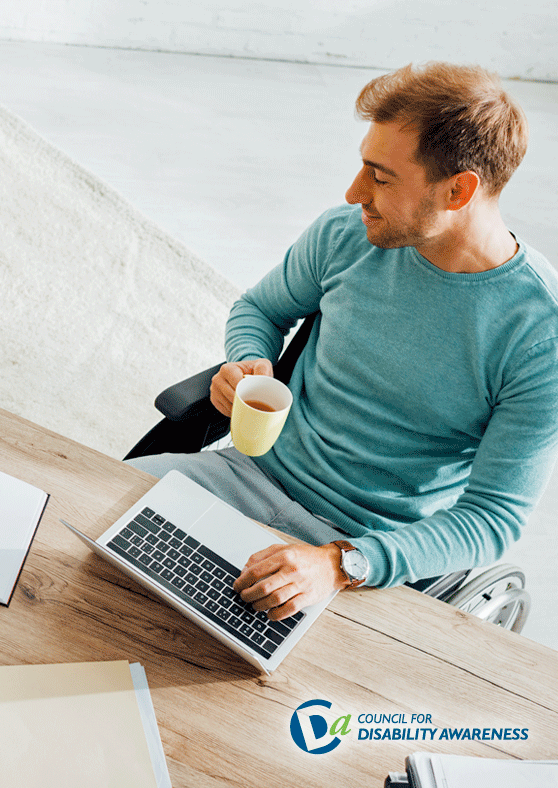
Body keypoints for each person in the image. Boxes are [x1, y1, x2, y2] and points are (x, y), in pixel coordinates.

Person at [127, 62, 558, 621]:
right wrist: (249, 360)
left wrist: (339, 565)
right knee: (79, 530)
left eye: (381, 177)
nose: (354, 191)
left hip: (369, 555)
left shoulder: (538, 336)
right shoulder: (346, 235)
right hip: (248, 477)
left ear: (458, 190)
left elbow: (494, 517)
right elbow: (260, 309)